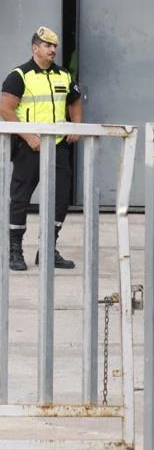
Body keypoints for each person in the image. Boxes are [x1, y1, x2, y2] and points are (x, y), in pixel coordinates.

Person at [1, 27, 82, 271]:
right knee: (20, 198)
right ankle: (14, 250)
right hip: (29, 147)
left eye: (54, 46)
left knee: (61, 199)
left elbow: (75, 101)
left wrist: (76, 127)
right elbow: (5, 108)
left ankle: (48, 249)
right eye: (47, 45)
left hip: (57, 146)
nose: (53, 50)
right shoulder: (20, 75)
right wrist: (27, 136)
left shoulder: (64, 75)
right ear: (35, 48)